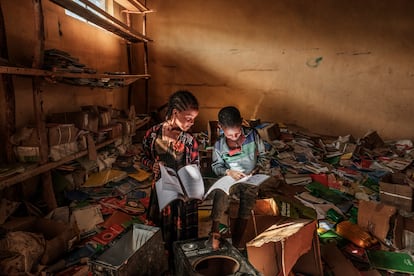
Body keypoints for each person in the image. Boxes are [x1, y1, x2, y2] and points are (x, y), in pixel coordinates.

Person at [141, 90, 200, 269]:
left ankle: (179, 267)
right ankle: (162, 266)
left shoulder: (190, 141)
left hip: (182, 199)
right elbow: (142, 157)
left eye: (194, 119)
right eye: (188, 118)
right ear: (175, 113)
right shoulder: (152, 135)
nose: (192, 123)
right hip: (160, 195)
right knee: (160, 234)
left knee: (182, 239)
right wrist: (152, 165)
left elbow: (195, 167)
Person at [210, 106, 270, 250]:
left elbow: (264, 156)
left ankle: (237, 241)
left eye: (237, 134)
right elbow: (216, 166)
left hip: (251, 177)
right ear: (220, 128)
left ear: (242, 123)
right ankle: (214, 231)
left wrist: (258, 168)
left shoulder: (253, 135)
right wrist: (229, 172)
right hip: (231, 178)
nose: (235, 138)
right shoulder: (219, 145)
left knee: (247, 205)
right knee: (221, 194)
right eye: (230, 136)